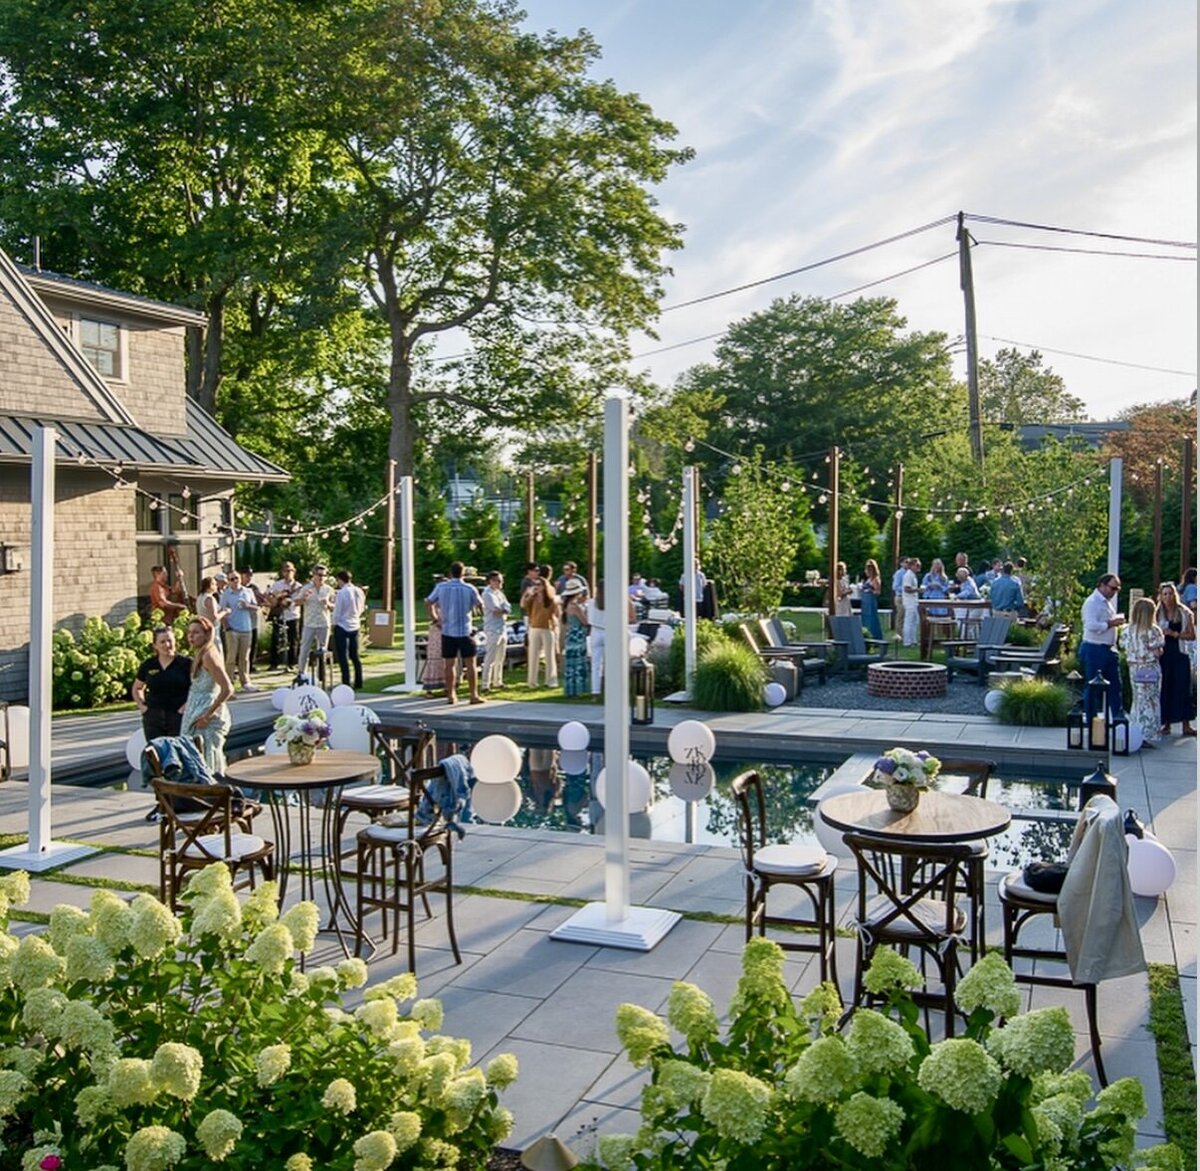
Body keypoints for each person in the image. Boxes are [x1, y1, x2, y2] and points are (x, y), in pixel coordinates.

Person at [180, 616, 234, 777]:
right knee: (193, 756)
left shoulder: (209, 656)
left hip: (206, 714)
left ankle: (212, 792)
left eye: (196, 632)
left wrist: (208, 715)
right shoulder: (199, 653)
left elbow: (227, 688)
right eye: (189, 633)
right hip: (195, 709)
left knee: (207, 758)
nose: (191, 636)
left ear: (206, 633)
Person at [427, 561, 484, 704]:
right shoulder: (469, 588)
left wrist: (435, 619)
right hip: (465, 630)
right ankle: (473, 695)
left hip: (447, 630)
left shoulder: (441, 587)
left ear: (450, 573)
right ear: (463, 573)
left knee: (449, 664)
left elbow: (428, 602)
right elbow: (480, 604)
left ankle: (451, 695)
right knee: (470, 663)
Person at [1079, 573, 1126, 726]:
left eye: (1117, 589)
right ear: (1102, 585)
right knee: (1093, 687)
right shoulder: (1092, 602)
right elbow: (1091, 625)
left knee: (1115, 686)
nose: (1114, 592)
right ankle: (1092, 721)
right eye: (1112, 588)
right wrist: (1111, 623)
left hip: (1108, 648)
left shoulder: (1106, 603)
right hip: (1094, 648)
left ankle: (1118, 719)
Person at [132, 625, 192, 740]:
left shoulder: (186, 664)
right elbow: (137, 687)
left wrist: (185, 708)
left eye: (170, 640)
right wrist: (142, 706)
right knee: (157, 752)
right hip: (153, 718)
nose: (167, 645)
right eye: (162, 642)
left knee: (178, 751)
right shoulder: (149, 665)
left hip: (179, 716)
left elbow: (196, 689)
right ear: (155, 645)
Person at [1121, 596, 1165, 747]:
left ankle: (1135, 731)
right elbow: (1159, 651)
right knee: (1150, 701)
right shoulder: (1153, 630)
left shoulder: (1127, 630)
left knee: (1138, 700)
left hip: (1134, 667)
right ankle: (1148, 733)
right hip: (1149, 667)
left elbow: (1123, 646)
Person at [1155, 582, 1195, 736]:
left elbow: (1191, 635)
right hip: (1163, 653)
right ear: (1161, 596)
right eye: (1164, 594)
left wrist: (1175, 634)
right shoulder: (1157, 613)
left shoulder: (1183, 612)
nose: (1168, 597)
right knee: (1165, 686)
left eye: (1170, 593)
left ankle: (1186, 724)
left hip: (1179, 653)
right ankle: (1166, 723)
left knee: (1183, 687)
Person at [585, 580, 633, 696]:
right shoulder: (614, 602)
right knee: (613, 662)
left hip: (596, 631)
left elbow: (588, 619)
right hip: (610, 631)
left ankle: (595, 691)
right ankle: (614, 689)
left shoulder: (591, 603)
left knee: (596, 664)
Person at [219, 569, 260, 692]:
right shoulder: (226, 594)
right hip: (232, 629)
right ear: (228, 581)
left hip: (246, 628)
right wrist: (227, 627)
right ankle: (229, 683)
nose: (235, 581)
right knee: (231, 657)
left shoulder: (248, 591)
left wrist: (247, 606)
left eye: (236, 578)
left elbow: (256, 607)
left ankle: (245, 681)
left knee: (245, 657)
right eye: (232, 579)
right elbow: (222, 611)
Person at [522, 570, 560, 688]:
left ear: (544, 586)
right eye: (535, 585)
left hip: (547, 628)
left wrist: (555, 625)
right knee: (533, 655)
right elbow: (523, 605)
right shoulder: (532, 598)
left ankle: (551, 681)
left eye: (539, 585)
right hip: (534, 628)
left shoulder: (551, 600)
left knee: (549, 655)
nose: (536, 587)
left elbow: (557, 613)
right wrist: (527, 594)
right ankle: (532, 682)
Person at [297, 565, 335, 679]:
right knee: (304, 650)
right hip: (309, 623)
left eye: (324, 575)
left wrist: (328, 604)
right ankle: (301, 674)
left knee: (322, 651)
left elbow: (335, 607)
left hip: (323, 623)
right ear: (313, 575)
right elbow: (296, 602)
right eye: (319, 575)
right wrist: (304, 598)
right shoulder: (306, 588)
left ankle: (321, 677)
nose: (322, 577)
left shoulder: (329, 589)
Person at [332, 569, 366, 691]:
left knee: (343, 656)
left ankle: (346, 681)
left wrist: (334, 623)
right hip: (355, 624)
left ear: (340, 580)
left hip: (342, 625)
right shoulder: (359, 591)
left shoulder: (342, 593)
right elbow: (361, 608)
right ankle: (359, 681)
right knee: (354, 655)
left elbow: (338, 611)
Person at [266, 561, 302, 670]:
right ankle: (274, 663)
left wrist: (290, 602)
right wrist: (277, 599)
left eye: (290, 570)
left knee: (293, 640)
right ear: (282, 572)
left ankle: (292, 663)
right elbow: (269, 596)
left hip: (293, 615)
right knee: (276, 639)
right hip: (280, 615)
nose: (288, 573)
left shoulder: (298, 586)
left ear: (294, 571)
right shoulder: (278, 584)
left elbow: (301, 600)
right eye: (285, 571)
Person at [480, 570, 511, 692]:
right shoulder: (487, 594)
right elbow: (496, 609)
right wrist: (504, 609)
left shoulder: (499, 593)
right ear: (491, 581)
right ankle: (485, 684)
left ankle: (498, 681)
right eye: (497, 581)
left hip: (502, 627)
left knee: (501, 657)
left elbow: (508, 606)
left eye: (501, 580)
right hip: (492, 628)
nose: (500, 583)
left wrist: (504, 609)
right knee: (490, 657)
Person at [560, 578, 590, 697]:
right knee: (578, 662)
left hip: (570, 635)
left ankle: (571, 689)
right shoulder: (575, 606)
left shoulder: (567, 606)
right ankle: (577, 689)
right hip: (578, 634)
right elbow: (585, 621)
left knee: (571, 663)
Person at [860, 559, 883, 640]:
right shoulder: (867, 579)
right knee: (865, 619)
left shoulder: (875, 579)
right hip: (865, 602)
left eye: (869, 569)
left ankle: (874, 637)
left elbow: (878, 592)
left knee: (872, 619)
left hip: (871, 602)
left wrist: (870, 590)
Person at [901, 557, 920, 646]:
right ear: (911, 566)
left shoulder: (912, 575)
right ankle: (907, 641)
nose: (918, 567)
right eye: (917, 565)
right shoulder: (908, 575)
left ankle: (913, 640)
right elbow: (907, 588)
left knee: (914, 620)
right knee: (909, 621)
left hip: (913, 600)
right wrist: (918, 590)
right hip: (909, 601)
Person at [891, 558, 908, 633]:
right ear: (901, 563)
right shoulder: (899, 573)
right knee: (901, 616)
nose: (908, 564)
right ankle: (899, 634)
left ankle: (905, 634)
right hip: (900, 597)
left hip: (908, 597)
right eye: (906, 562)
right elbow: (895, 586)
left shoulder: (909, 573)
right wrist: (906, 589)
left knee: (906, 617)